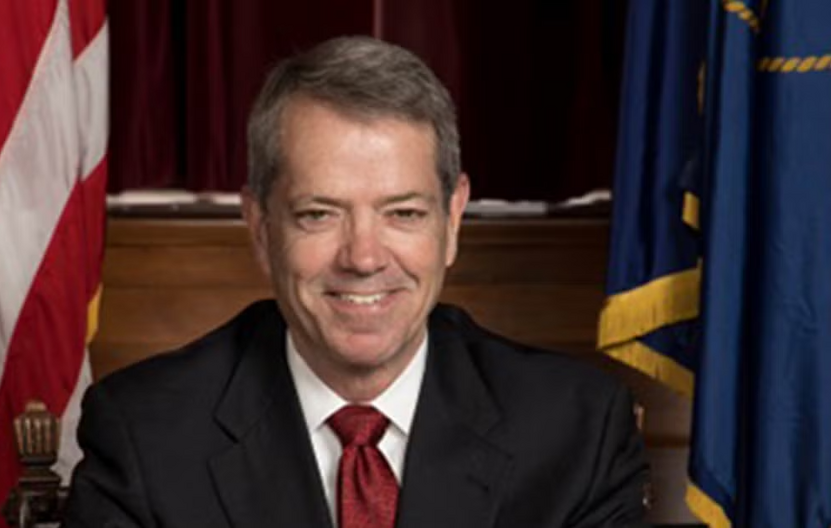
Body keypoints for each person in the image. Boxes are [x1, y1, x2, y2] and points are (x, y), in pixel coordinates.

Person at [63, 36, 649, 528]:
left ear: (452, 220)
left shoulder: (576, 430)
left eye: (404, 213)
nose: (364, 258)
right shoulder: (147, 434)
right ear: (261, 227)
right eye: (319, 213)